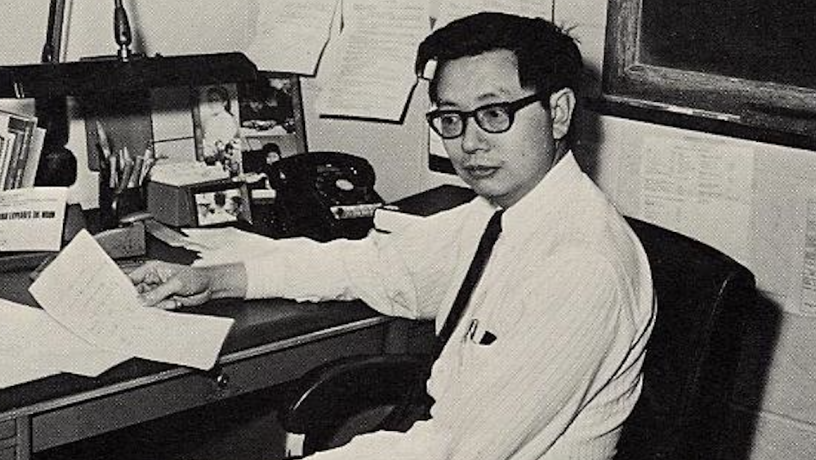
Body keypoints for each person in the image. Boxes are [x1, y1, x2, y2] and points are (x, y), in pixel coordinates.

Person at [129, 12, 655, 460]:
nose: (469, 143)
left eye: (494, 114)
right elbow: (370, 266)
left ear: (558, 112)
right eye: (451, 118)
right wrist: (215, 280)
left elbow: (451, 450)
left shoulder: (581, 268)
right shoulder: (498, 216)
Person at [200, 85, 241, 162]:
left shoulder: (228, 120)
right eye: (210, 101)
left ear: (224, 102)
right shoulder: (211, 120)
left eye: (216, 100)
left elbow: (223, 144)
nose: (212, 104)